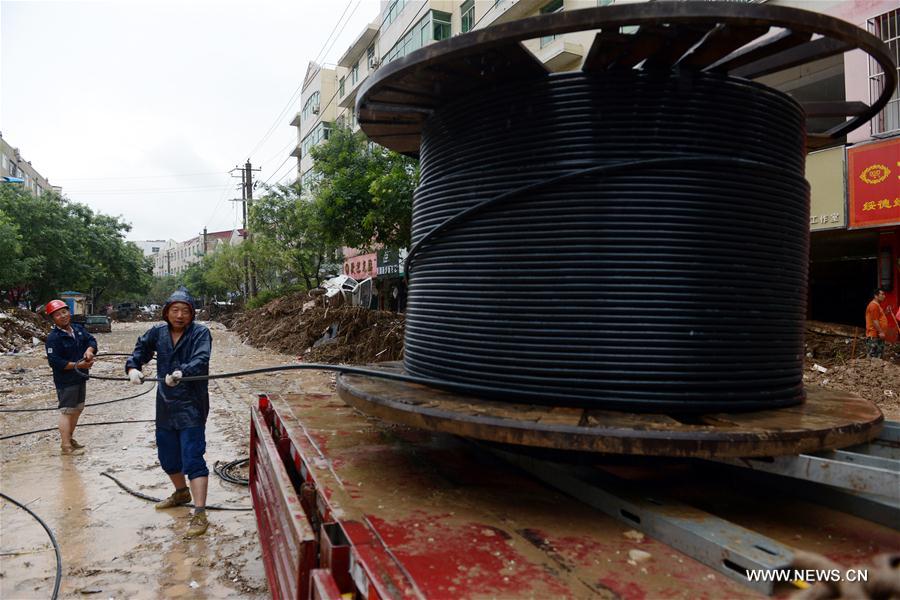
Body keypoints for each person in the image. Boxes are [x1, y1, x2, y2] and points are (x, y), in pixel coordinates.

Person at [125, 289, 212, 537]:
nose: (180, 315)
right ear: (166, 312)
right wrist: (133, 367)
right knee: (167, 457)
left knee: (193, 457)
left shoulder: (201, 333)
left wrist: (181, 373)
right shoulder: (158, 332)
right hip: (165, 403)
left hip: (192, 404)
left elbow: (202, 358)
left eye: (185, 311)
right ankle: (181, 492)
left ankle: (200, 513)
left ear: (192, 314)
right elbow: (141, 349)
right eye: (175, 310)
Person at [44, 299, 97, 456]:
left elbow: (91, 340)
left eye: (64, 312)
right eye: (57, 315)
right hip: (66, 381)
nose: (62, 316)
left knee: (78, 409)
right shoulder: (53, 338)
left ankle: (70, 438)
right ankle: (66, 446)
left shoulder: (78, 330)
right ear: (52, 319)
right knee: (67, 411)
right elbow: (55, 362)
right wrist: (78, 365)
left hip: (80, 377)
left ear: (69, 312)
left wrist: (89, 350)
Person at [865, 288, 888, 358]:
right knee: (873, 359)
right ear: (876, 296)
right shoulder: (873, 305)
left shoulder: (877, 305)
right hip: (874, 336)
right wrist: (881, 332)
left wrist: (886, 312)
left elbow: (878, 318)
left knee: (878, 359)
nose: (884, 296)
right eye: (882, 294)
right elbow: (875, 321)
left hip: (877, 336)